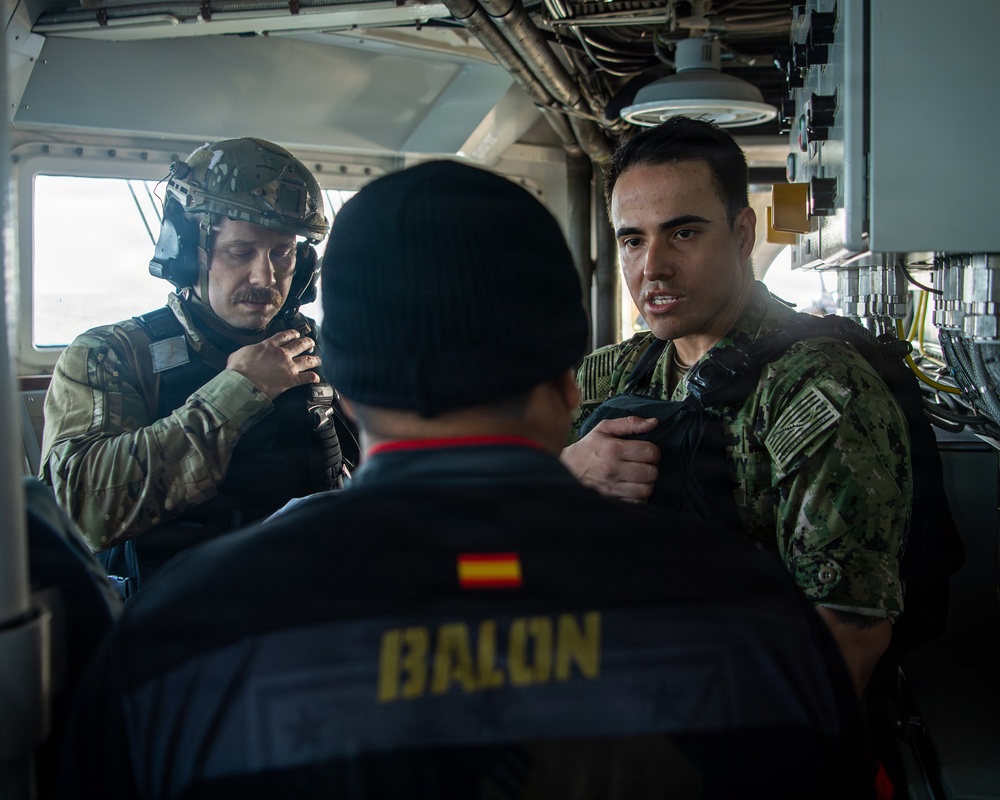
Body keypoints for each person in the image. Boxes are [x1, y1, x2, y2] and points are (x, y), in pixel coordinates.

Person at [54, 161, 874, 799]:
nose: (263, 272)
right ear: (570, 384)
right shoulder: (750, 615)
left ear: (345, 389)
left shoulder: (176, 641)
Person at [561, 117, 912, 696]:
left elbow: (846, 641)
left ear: (744, 233)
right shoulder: (610, 373)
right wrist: (563, 476)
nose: (652, 268)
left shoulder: (817, 389)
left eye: (683, 233)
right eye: (633, 240)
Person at [39, 137, 357, 591]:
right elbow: (81, 511)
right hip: (183, 606)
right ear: (188, 250)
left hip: (316, 589)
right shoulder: (110, 353)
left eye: (282, 254)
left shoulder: (317, 344)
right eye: (240, 252)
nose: (264, 277)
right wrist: (240, 389)